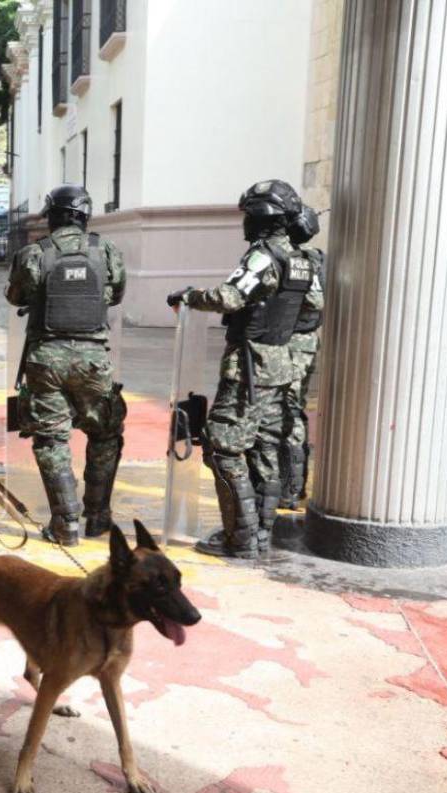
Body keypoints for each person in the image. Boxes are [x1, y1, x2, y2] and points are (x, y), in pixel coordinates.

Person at [168, 180, 320, 558]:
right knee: (264, 449)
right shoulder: (300, 259)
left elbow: (230, 296)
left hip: (250, 369)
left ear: (262, 217)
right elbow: (311, 307)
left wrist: (189, 296)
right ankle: (260, 535)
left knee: (223, 448)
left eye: (248, 215)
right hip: (280, 366)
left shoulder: (264, 255)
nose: (245, 223)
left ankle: (240, 538)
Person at [6, 184, 128, 546]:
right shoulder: (105, 250)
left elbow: (15, 295)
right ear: (84, 215)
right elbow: (117, 294)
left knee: (51, 439)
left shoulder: (34, 252)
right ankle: (98, 517)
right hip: (93, 358)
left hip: (45, 358)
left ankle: (65, 524)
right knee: (105, 434)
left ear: (53, 216)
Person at [279, 206, 326, 509]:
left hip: (294, 343)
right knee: (291, 412)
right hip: (305, 343)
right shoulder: (317, 259)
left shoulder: (298, 261)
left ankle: (292, 488)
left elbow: (311, 302)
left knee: (289, 415)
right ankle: (292, 486)